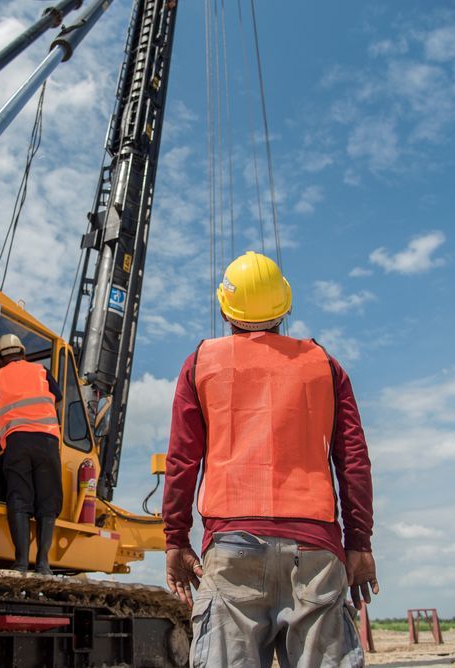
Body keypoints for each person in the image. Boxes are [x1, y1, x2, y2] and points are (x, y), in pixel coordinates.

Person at [162, 251, 379, 668]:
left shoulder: (201, 363)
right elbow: (353, 460)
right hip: (314, 550)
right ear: (286, 306)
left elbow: (181, 461)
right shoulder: (323, 365)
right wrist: (360, 543)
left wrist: (175, 538)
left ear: (226, 310)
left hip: (231, 548)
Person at [0, 333, 63, 574]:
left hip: (18, 441)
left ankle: (21, 562)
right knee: (47, 501)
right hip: (48, 440)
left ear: (0, 358)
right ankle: (43, 563)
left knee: (19, 498)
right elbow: (58, 402)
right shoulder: (41, 371)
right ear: (23, 353)